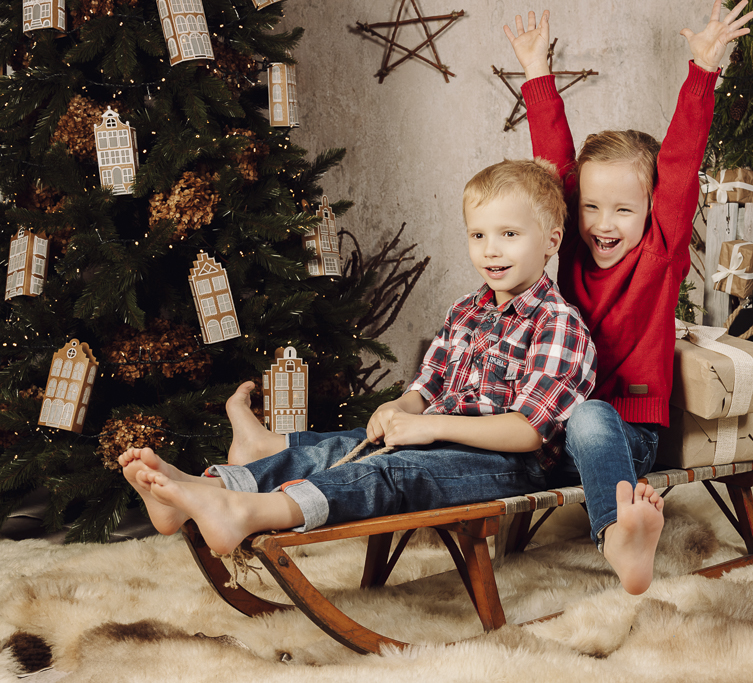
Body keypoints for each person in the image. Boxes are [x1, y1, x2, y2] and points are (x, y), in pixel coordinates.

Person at [119, 158, 597, 556]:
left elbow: (528, 432)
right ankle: (207, 490)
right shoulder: (465, 310)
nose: (490, 250)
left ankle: (246, 512)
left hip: (506, 465)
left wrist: (431, 427)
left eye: (509, 234)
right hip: (438, 438)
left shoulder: (557, 322)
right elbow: (428, 385)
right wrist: (400, 408)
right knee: (342, 449)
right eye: (478, 236)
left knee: (388, 472)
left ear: (551, 241)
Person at [502, 1, 753, 594]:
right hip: (554, 430)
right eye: (591, 207)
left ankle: (620, 537)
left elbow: (682, 161)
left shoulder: (660, 253)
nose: (603, 223)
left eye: (622, 209)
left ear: (651, 212)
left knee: (590, 414)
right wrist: (537, 71)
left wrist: (703, 71)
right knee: (505, 419)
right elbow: (554, 162)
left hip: (627, 434)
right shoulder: (569, 244)